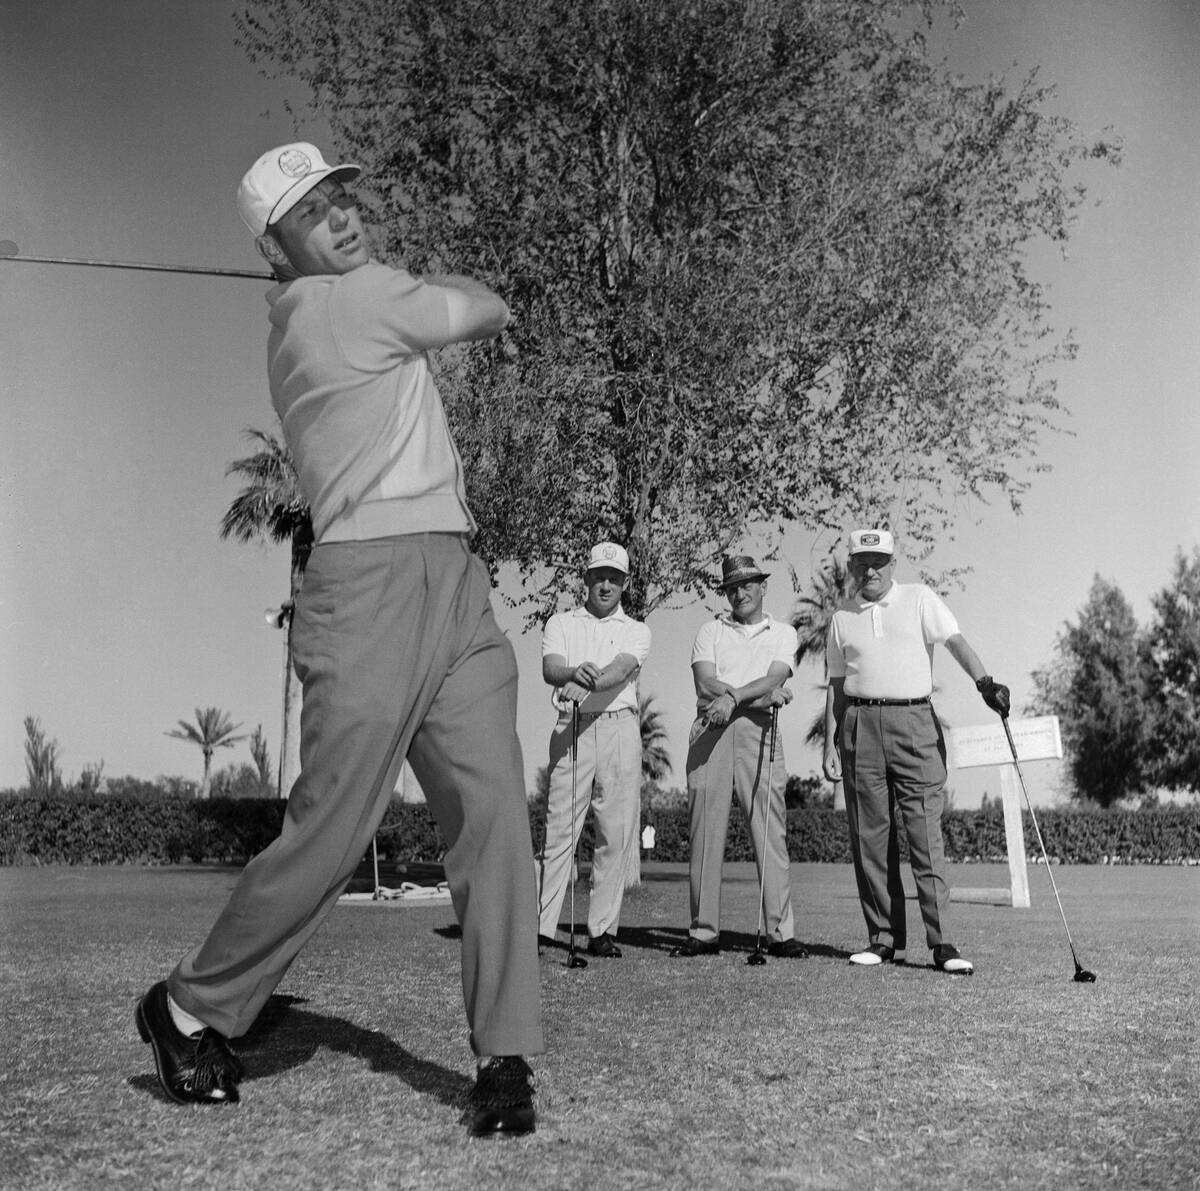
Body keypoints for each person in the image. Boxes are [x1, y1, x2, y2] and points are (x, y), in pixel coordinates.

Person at [135, 142, 543, 1137]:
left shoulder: (327, 301)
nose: (344, 220)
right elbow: (486, 306)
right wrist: (440, 281)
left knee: (491, 812)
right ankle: (189, 1006)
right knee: (333, 832)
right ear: (276, 246)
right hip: (370, 586)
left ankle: (505, 1057)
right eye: (314, 213)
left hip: (454, 577)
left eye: (343, 198)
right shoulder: (345, 302)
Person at [822, 528, 1010, 975]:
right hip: (859, 725)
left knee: (925, 835)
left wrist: (984, 682)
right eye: (862, 562)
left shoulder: (920, 598)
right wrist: (833, 740)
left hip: (914, 724)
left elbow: (956, 642)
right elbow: (835, 684)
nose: (871, 570)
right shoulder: (841, 616)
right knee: (870, 838)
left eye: (879, 562)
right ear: (850, 566)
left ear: (893, 564)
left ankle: (943, 944)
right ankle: (884, 940)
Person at [673, 555, 807, 959]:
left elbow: (774, 677)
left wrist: (737, 697)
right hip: (711, 726)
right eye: (732, 586)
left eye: (748, 584)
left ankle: (780, 934)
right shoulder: (710, 630)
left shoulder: (783, 632)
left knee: (769, 828)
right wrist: (744, 696)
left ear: (763, 587)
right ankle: (703, 931)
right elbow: (705, 679)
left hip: (758, 727)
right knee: (705, 829)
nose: (740, 592)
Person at [537, 542, 651, 957]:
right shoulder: (560, 622)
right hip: (573, 727)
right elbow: (551, 669)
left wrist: (584, 680)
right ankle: (544, 929)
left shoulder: (637, 630)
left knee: (615, 834)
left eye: (615, 578)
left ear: (625, 583)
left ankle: (602, 931)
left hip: (620, 728)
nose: (606, 585)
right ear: (585, 578)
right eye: (599, 576)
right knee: (560, 829)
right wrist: (571, 672)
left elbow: (618, 672)